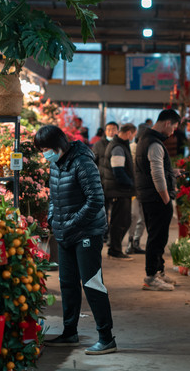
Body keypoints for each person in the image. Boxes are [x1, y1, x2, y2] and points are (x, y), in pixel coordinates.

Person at [33, 125, 117, 355]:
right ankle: (70, 332)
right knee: (67, 283)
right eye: (42, 150)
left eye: (47, 148)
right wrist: (52, 217)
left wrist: (72, 223)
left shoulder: (82, 162)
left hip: (86, 233)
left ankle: (106, 337)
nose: (45, 154)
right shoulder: (55, 164)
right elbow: (54, 197)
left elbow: (96, 199)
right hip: (65, 233)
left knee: (91, 283)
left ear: (59, 144)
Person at [135, 108, 181, 291]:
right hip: (156, 198)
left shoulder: (145, 139)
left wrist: (172, 173)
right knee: (156, 237)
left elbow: (154, 169)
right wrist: (166, 198)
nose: (173, 132)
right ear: (167, 123)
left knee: (159, 237)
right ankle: (151, 276)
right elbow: (156, 174)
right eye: (174, 127)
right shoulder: (154, 143)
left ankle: (158, 271)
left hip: (149, 196)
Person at [100, 123, 138, 260]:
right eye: (133, 134)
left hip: (120, 190)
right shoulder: (117, 147)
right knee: (120, 221)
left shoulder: (120, 145)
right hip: (119, 190)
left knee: (123, 220)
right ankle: (115, 250)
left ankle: (114, 248)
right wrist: (131, 183)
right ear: (129, 133)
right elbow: (118, 171)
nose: (133, 137)